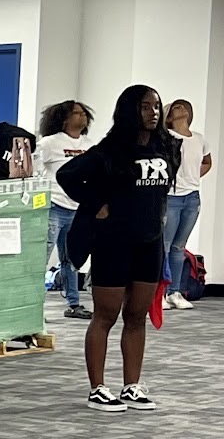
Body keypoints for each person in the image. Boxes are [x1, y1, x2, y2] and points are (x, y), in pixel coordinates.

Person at [59, 85, 179, 412]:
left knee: (137, 316)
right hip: (114, 241)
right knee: (106, 315)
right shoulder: (109, 150)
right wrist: (96, 203)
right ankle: (98, 388)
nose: (153, 112)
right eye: (145, 106)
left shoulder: (167, 148)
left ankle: (132, 386)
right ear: (130, 110)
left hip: (150, 242)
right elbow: (67, 175)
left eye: (157, 106)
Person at [36, 100, 95, 319]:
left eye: (84, 113)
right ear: (63, 119)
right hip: (54, 205)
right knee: (42, 258)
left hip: (78, 208)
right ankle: (35, 307)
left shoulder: (90, 145)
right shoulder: (49, 143)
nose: (82, 116)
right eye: (76, 113)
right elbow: (35, 171)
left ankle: (74, 303)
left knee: (72, 258)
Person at [163, 98, 211, 310]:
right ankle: (159, 292)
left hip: (192, 197)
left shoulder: (199, 139)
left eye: (184, 106)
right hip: (171, 197)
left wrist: (193, 177)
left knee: (178, 247)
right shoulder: (166, 137)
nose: (181, 108)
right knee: (164, 246)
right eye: (176, 107)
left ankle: (174, 291)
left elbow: (207, 161)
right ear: (169, 116)